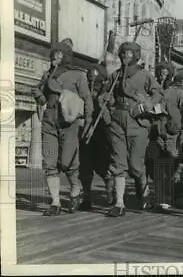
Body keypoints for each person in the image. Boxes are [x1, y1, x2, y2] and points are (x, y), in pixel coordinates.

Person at [31, 40, 93, 216]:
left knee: (68, 163)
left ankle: (75, 190)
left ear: (66, 57)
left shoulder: (78, 75)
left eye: (59, 54)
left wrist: (88, 119)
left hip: (69, 123)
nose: (55, 57)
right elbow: (37, 90)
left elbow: (87, 98)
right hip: (49, 121)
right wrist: (41, 98)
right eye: (53, 54)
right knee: (50, 162)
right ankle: (55, 202)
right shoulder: (47, 75)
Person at [105, 41, 162, 217]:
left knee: (136, 165)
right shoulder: (115, 76)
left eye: (130, 54)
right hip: (118, 120)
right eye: (123, 54)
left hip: (138, 122)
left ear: (136, 56)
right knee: (118, 162)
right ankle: (119, 203)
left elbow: (158, 93)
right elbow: (106, 95)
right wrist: (106, 100)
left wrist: (147, 105)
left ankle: (144, 192)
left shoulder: (145, 75)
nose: (126, 56)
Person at [146, 61, 183, 209]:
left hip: (171, 133)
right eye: (160, 72)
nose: (163, 75)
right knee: (153, 164)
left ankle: (166, 197)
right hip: (154, 132)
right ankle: (159, 196)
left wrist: (181, 132)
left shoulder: (178, 92)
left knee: (169, 165)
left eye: (166, 72)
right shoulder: (152, 89)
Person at [79, 63, 114, 210]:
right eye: (90, 82)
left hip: (102, 134)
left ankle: (111, 194)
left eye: (97, 83)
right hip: (85, 132)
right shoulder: (82, 93)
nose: (93, 86)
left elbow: (109, 120)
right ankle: (87, 198)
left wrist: (105, 106)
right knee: (85, 168)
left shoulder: (108, 96)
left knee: (104, 167)